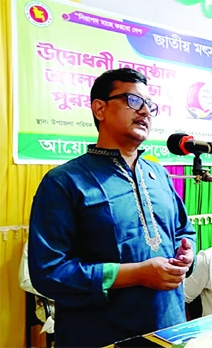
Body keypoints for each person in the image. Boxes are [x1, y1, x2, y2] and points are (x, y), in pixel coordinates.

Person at [28, 68, 196, 347]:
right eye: (132, 100)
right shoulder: (65, 182)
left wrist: (188, 252)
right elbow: (49, 272)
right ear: (100, 109)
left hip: (169, 328)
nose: (145, 111)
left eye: (149, 105)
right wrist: (136, 274)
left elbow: (183, 230)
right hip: (101, 334)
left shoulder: (159, 174)